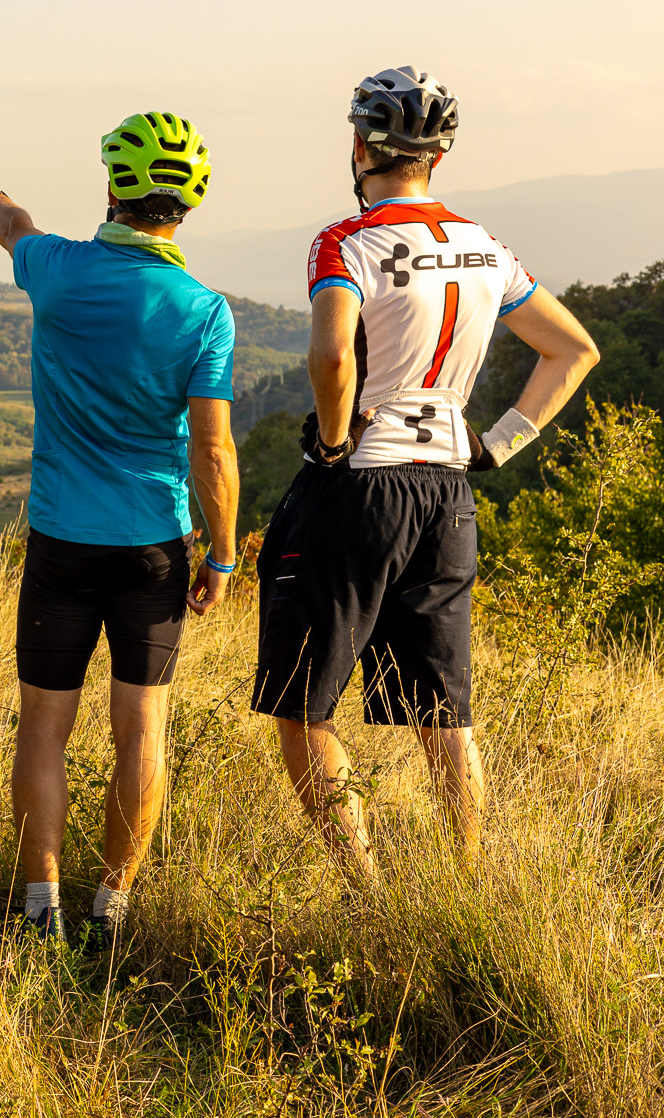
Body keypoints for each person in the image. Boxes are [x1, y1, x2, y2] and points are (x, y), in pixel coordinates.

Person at [251, 67, 599, 876]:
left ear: (361, 147)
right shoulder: (488, 248)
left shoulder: (347, 241)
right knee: (444, 713)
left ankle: (365, 892)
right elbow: (572, 348)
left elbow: (334, 352)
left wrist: (333, 445)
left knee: (303, 707)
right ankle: (464, 883)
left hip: (360, 481)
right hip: (448, 487)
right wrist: (502, 443)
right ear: (438, 157)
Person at [0, 112, 240, 951]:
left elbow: (15, 226)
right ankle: (111, 909)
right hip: (155, 544)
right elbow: (214, 448)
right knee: (141, 727)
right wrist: (221, 555)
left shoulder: (56, 271)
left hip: (60, 542)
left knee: (44, 725)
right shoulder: (205, 312)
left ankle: (38, 910)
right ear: (187, 205)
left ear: (114, 187)